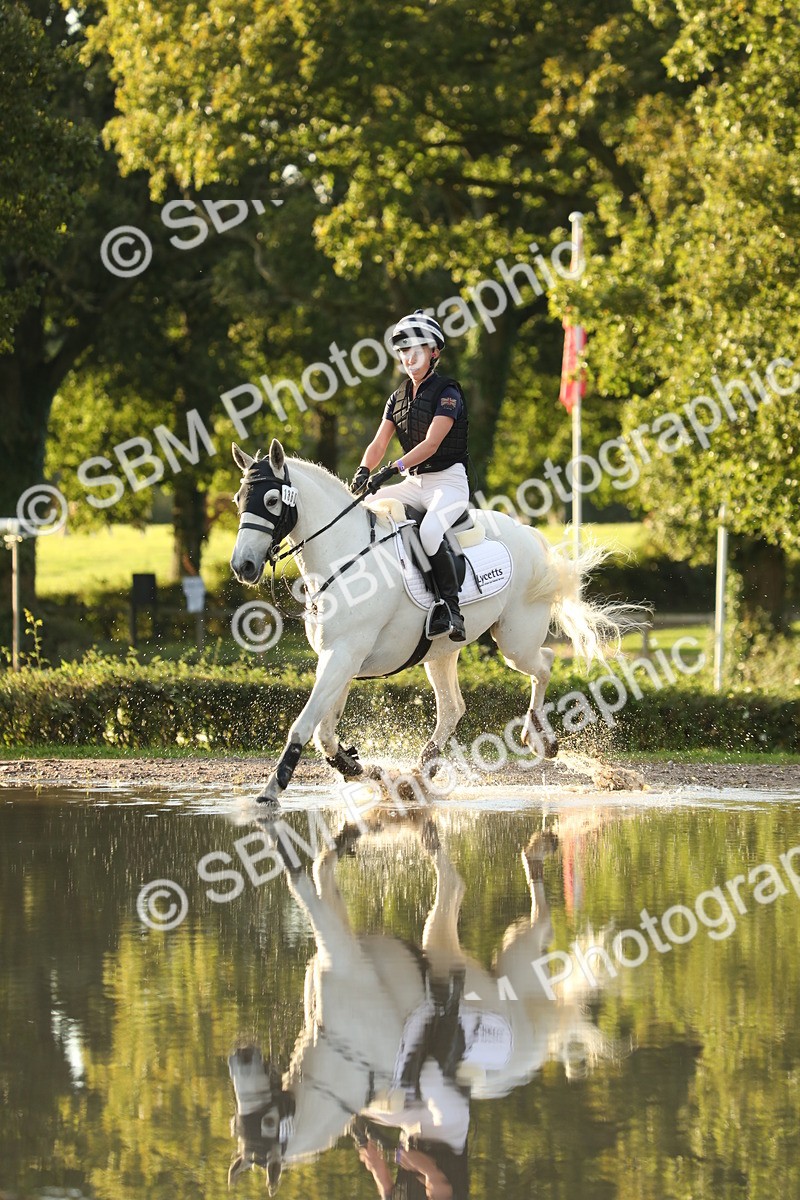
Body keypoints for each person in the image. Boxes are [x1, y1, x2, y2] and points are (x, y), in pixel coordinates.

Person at [350, 310, 470, 641]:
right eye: (403, 350)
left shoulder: (448, 393)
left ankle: (452, 609)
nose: (408, 356)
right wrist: (364, 470)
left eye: (416, 348)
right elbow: (378, 443)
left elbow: (432, 444)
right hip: (414, 484)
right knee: (363, 506)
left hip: (448, 483)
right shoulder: (397, 397)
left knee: (430, 533)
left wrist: (390, 469)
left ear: (434, 352)